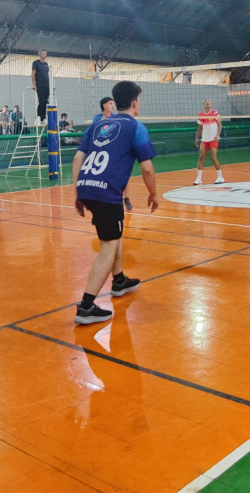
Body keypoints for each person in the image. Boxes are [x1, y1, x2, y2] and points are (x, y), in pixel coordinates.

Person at [73, 81, 158, 325]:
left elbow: (78, 158)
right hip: (107, 192)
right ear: (135, 103)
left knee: (115, 233)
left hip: (89, 186)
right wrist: (153, 194)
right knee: (108, 246)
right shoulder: (136, 127)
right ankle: (87, 306)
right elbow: (147, 168)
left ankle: (119, 280)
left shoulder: (98, 124)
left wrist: (78, 192)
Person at [92, 97, 132, 210]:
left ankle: (126, 198)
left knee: (124, 175)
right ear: (104, 105)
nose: (112, 105)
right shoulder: (97, 118)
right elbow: (94, 132)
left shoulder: (117, 118)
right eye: (110, 103)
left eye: (113, 103)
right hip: (101, 151)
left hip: (115, 150)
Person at [194, 99, 223, 185]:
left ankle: (220, 177)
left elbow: (220, 124)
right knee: (201, 157)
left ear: (211, 104)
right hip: (204, 140)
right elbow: (200, 127)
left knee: (213, 157)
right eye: (206, 101)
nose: (207, 102)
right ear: (203, 104)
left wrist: (218, 135)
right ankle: (199, 178)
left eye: (209, 101)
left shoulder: (214, 113)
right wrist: (197, 138)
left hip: (213, 139)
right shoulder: (201, 114)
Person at [31, 49, 50, 125]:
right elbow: (33, 74)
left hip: (46, 86)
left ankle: (43, 118)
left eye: (46, 53)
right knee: (41, 102)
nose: (45, 55)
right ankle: (38, 118)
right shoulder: (36, 63)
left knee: (45, 102)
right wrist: (34, 84)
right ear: (40, 54)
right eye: (44, 53)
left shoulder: (46, 64)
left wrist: (51, 85)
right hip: (40, 85)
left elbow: (48, 75)